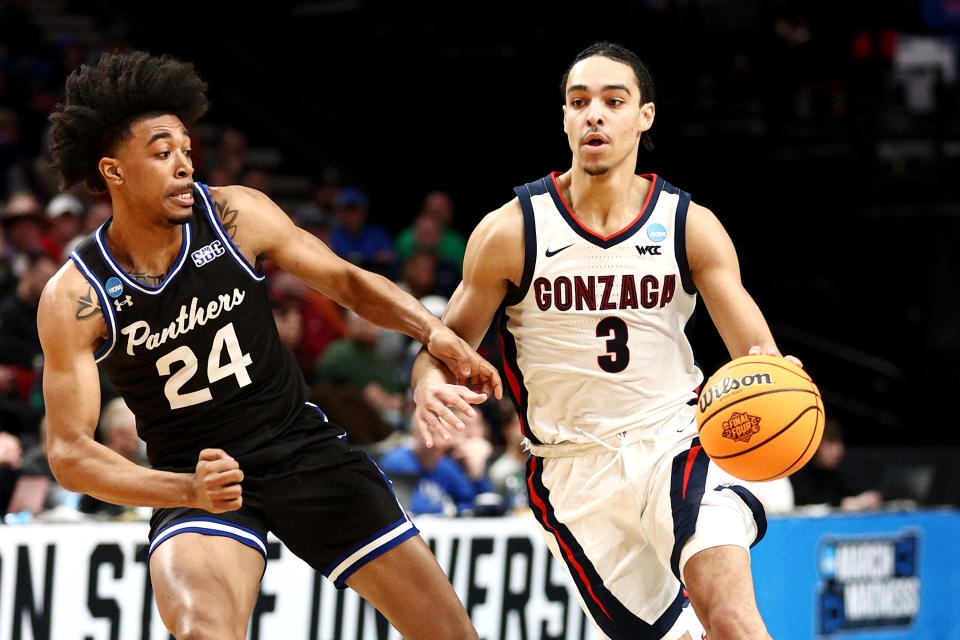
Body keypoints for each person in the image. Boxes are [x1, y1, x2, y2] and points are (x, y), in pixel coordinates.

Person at [39, 50, 498, 640]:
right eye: (161, 153)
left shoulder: (234, 215)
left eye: (185, 147)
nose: (183, 164)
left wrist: (435, 332)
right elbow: (69, 454)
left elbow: (347, 281)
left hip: (300, 445)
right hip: (197, 474)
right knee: (204, 632)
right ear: (114, 171)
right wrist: (184, 490)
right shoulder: (77, 294)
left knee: (452, 635)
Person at [412, 41, 804, 640]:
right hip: (574, 471)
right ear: (565, 118)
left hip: (677, 440)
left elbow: (758, 352)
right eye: (580, 101)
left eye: (613, 101)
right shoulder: (511, 232)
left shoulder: (687, 225)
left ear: (644, 116)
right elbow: (442, 348)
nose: (595, 113)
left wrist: (782, 382)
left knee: (729, 617)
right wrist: (425, 387)